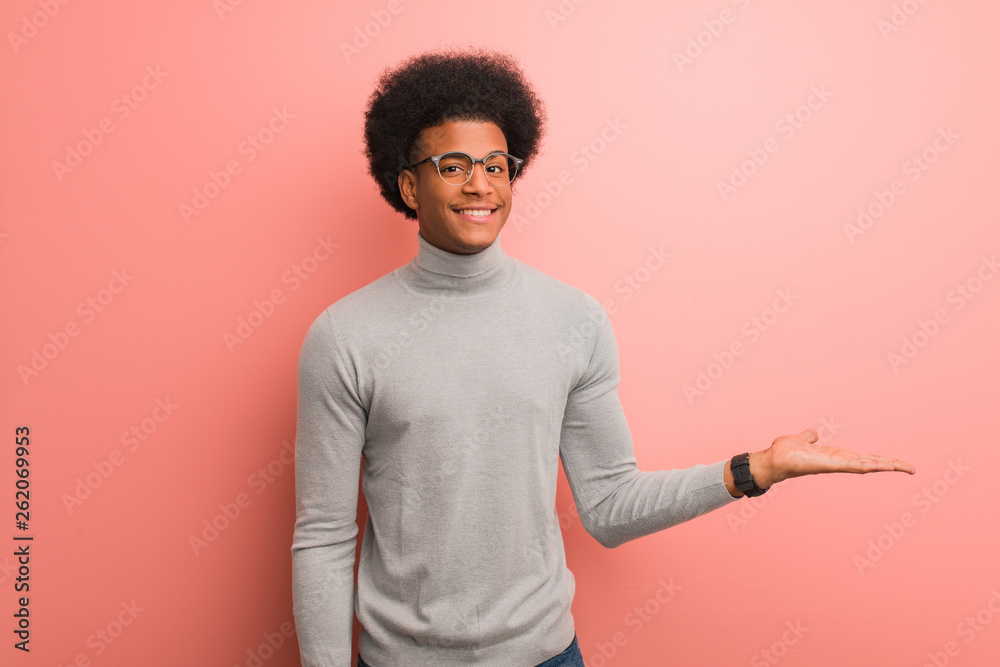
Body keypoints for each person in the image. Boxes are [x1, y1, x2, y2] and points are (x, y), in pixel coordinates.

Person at [290, 49, 915, 667]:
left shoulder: (573, 320)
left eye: (496, 165)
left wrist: (756, 470)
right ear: (409, 184)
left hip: (546, 656)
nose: (479, 184)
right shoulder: (345, 335)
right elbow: (323, 536)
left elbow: (610, 505)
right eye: (452, 166)